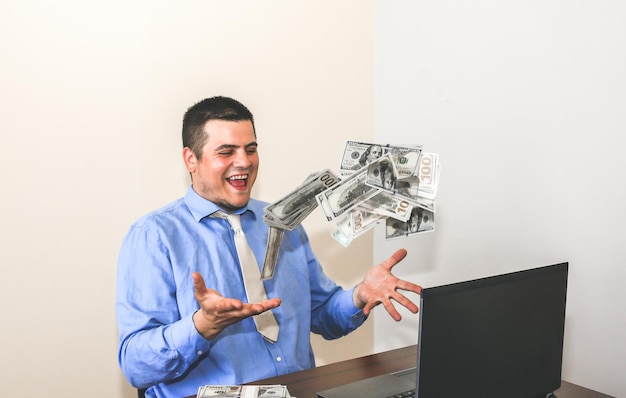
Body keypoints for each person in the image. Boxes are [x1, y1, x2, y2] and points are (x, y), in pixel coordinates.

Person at [116, 96, 422, 398]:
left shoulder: (284, 224)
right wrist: (201, 326)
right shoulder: (153, 236)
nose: (244, 162)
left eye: (250, 149)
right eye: (227, 151)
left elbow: (322, 316)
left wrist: (359, 296)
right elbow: (135, 365)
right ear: (191, 159)